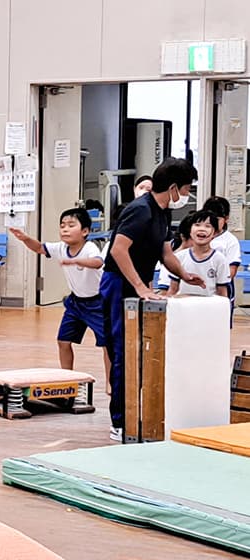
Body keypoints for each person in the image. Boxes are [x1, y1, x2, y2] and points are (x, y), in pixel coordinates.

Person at [99, 158, 205, 441]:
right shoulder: (140, 210)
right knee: (122, 351)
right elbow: (119, 251)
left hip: (137, 283)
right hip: (118, 283)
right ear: (172, 187)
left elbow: (165, 252)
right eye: (185, 189)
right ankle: (119, 420)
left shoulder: (161, 212)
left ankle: (138, 411)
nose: (186, 195)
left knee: (141, 352)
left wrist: (185, 274)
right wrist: (139, 287)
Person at [10, 208, 110, 390]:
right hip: (75, 303)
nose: (65, 229)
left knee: (107, 345)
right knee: (63, 341)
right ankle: (68, 379)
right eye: (62, 225)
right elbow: (40, 248)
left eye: (71, 225)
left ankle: (111, 383)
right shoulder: (61, 248)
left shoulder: (89, 247)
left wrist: (76, 261)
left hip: (97, 303)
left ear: (85, 231)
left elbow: (98, 263)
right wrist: (25, 238)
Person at [166, 210, 231, 298]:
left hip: (209, 307)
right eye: (197, 225)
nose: (202, 229)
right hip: (183, 307)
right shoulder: (179, 257)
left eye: (207, 226)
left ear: (215, 233)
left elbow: (222, 293)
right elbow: (173, 290)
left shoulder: (220, 259)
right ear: (190, 231)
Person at [203, 195, 241, 323]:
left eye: (217, 218)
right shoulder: (198, 236)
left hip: (221, 288)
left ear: (226, 219)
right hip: (200, 287)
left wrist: (215, 279)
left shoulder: (230, 241)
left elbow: (232, 269)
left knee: (220, 325)